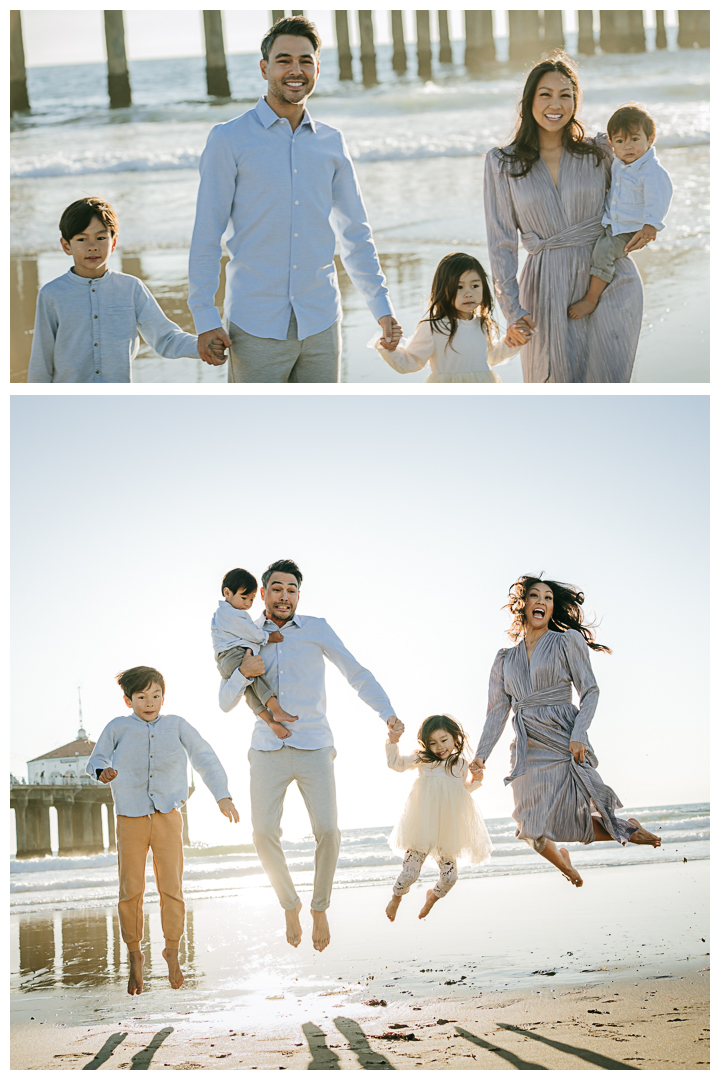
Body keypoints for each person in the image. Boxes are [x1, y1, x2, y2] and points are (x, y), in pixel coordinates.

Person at [188, 15, 402, 382]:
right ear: (264, 67)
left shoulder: (331, 142)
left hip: (321, 321)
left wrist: (381, 307)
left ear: (317, 68)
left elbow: (355, 233)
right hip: (255, 325)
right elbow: (207, 235)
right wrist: (205, 318)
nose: (295, 70)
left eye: (305, 60)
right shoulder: (229, 139)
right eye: (284, 60)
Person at [218, 558, 403, 951]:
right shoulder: (246, 632)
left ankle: (319, 908)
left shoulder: (317, 628)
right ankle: (290, 903)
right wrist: (242, 671)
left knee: (329, 832)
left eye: (292, 590)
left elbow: (355, 672)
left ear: (298, 595)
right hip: (266, 748)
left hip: (315, 745)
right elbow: (227, 699)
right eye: (277, 589)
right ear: (263, 593)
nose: (285, 596)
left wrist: (387, 713)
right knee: (263, 833)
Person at [469, 577, 661, 887]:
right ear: (523, 605)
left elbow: (591, 691)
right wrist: (480, 756)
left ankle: (626, 830)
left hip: (562, 736)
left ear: (552, 607)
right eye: (534, 596)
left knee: (569, 818)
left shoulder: (565, 641)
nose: (541, 601)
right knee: (529, 826)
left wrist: (579, 733)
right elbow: (496, 711)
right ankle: (569, 864)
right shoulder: (504, 658)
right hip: (528, 744)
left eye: (548, 597)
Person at [483, 53, 644, 383]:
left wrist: (652, 222)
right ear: (529, 100)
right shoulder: (502, 162)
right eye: (545, 94)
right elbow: (501, 244)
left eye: (565, 95)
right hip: (545, 287)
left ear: (575, 100)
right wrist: (512, 311)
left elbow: (646, 176)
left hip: (609, 279)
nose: (555, 104)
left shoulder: (601, 149)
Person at [87, 665, 239, 996]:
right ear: (128, 701)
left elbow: (205, 757)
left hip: (169, 816)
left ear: (163, 696)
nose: (150, 702)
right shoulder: (117, 727)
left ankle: (172, 950)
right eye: (141, 697)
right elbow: (96, 758)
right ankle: (135, 954)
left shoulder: (177, 725)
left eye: (155, 695)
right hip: (130, 817)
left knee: (172, 888)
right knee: (131, 890)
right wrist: (103, 772)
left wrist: (222, 795)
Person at [27, 197, 221, 383]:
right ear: (66, 245)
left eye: (101, 237)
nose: (92, 246)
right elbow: (41, 360)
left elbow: (166, 337)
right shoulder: (52, 294)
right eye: (82, 239)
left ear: (113, 242)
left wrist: (205, 346)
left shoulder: (131, 289)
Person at [569, 104, 673, 320]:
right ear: (611, 143)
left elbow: (659, 198)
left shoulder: (651, 171)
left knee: (603, 252)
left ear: (650, 139)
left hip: (630, 227)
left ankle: (591, 298)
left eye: (635, 139)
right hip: (613, 220)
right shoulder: (619, 163)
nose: (628, 146)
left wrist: (651, 225)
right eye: (620, 141)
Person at [385, 714, 492, 922]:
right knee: (410, 874)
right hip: (421, 827)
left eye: (444, 740)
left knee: (450, 877)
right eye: (433, 743)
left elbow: (460, 793)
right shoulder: (423, 759)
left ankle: (432, 897)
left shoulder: (460, 765)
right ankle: (396, 897)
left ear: (455, 739)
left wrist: (476, 781)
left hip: (446, 830)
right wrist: (393, 741)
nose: (439, 747)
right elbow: (396, 764)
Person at [371, 252, 519, 383]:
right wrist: (390, 349)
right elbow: (411, 362)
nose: (468, 293)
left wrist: (512, 340)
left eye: (475, 286)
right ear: (443, 290)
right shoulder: (434, 327)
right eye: (459, 287)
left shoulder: (482, 323)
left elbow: (492, 357)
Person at [211, 567, 298, 739]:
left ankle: (270, 721)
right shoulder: (228, 613)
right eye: (244, 598)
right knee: (257, 676)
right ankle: (276, 709)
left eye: (251, 600)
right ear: (227, 593)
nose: (247, 604)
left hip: (228, 659)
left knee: (250, 690)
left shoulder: (230, 613)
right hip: (232, 655)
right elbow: (251, 632)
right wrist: (269, 637)